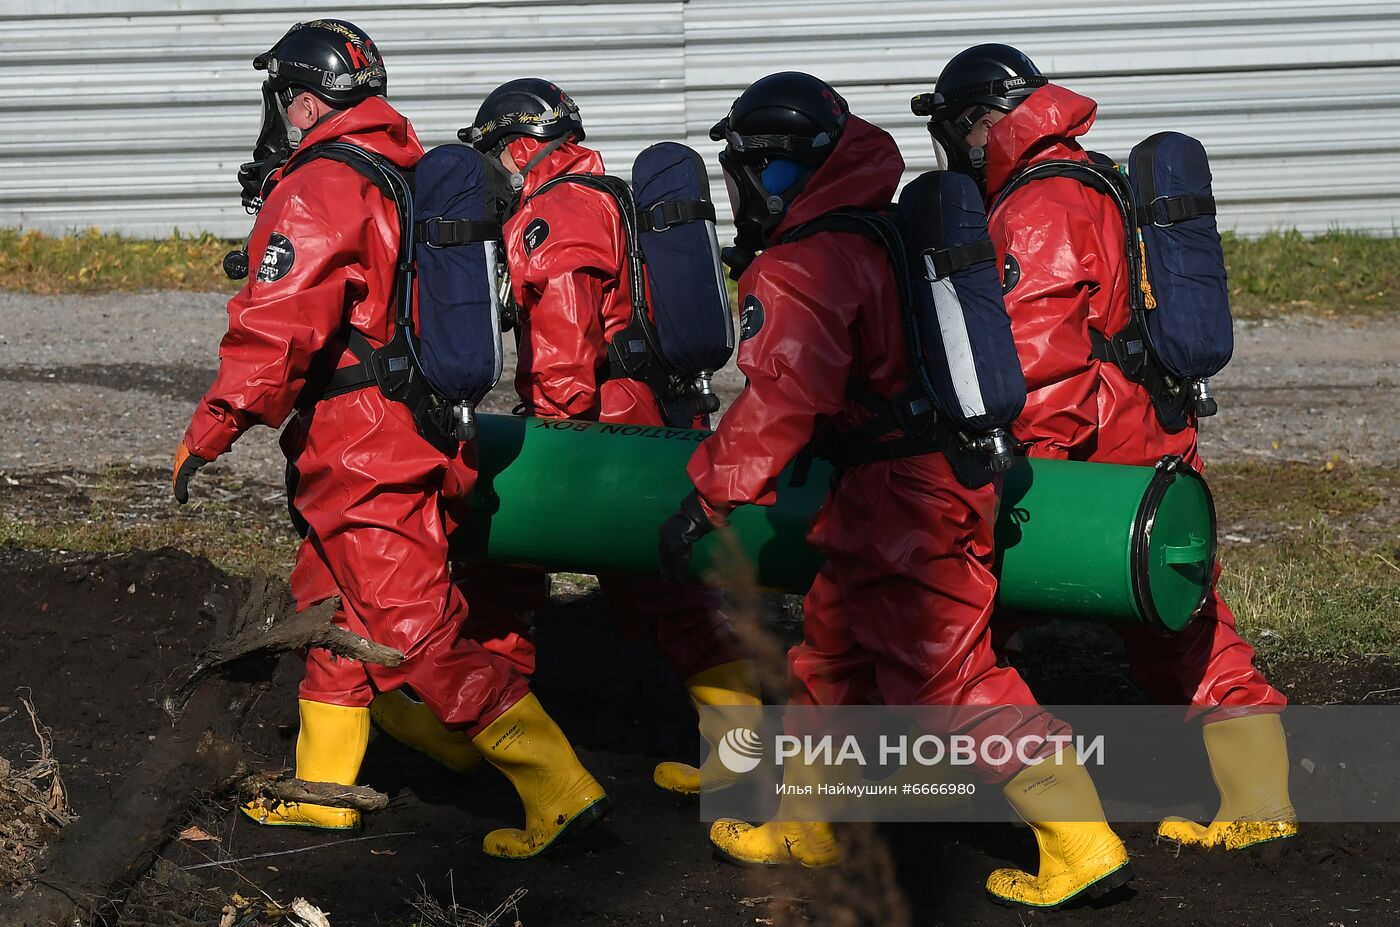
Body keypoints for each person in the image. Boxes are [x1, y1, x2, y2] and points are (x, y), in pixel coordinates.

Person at [661, 71, 1130, 908]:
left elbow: (781, 397)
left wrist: (709, 496)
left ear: (774, 171)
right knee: (830, 660)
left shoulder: (805, 262)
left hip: (902, 494)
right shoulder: (877, 228)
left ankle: (1080, 840)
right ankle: (807, 823)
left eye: (745, 173)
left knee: (947, 678)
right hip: (906, 480)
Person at [172, 21, 607, 859]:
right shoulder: (396, 166)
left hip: (361, 445)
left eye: (285, 99)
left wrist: (215, 423)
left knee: (417, 633)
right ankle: (323, 791)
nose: (281, 116)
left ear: (305, 100)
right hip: (406, 425)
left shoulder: (321, 184)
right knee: (330, 607)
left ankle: (560, 789)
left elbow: (279, 323)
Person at [917, 41, 1296, 858]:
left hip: (1097, 459)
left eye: (953, 131)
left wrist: (1018, 488)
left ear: (979, 123)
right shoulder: (1095, 176)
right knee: (1183, 624)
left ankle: (974, 805)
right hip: (1157, 437)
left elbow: (1042, 370)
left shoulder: (1035, 204)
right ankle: (1261, 797)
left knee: (950, 613)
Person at [455, 78, 762, 798]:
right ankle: (742, 758)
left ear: (522, 148)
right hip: (638, 415)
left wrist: (550, 440)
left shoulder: (555, 210)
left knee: (498, 572)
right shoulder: (602, 194)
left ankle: (499, 749)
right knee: (667, 598)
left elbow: (565, 348)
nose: (495, 174)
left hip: (598, 426)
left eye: (497, 156)